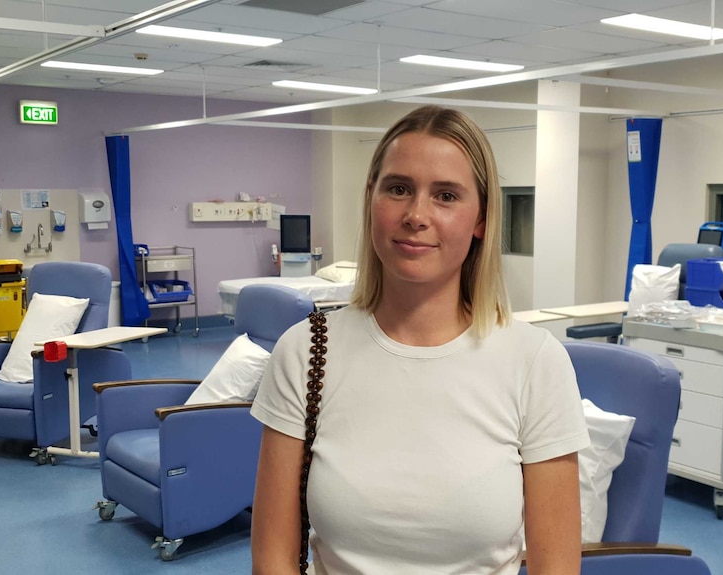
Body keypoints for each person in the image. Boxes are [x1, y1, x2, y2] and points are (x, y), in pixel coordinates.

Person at [250, 105, 589, 574]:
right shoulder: (305, 352)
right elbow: (273, 560)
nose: (416, 215)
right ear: (371, 199)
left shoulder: (534, 363)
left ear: (481, 220)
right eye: (398, 189)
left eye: (446, 195)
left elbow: (556, 569)